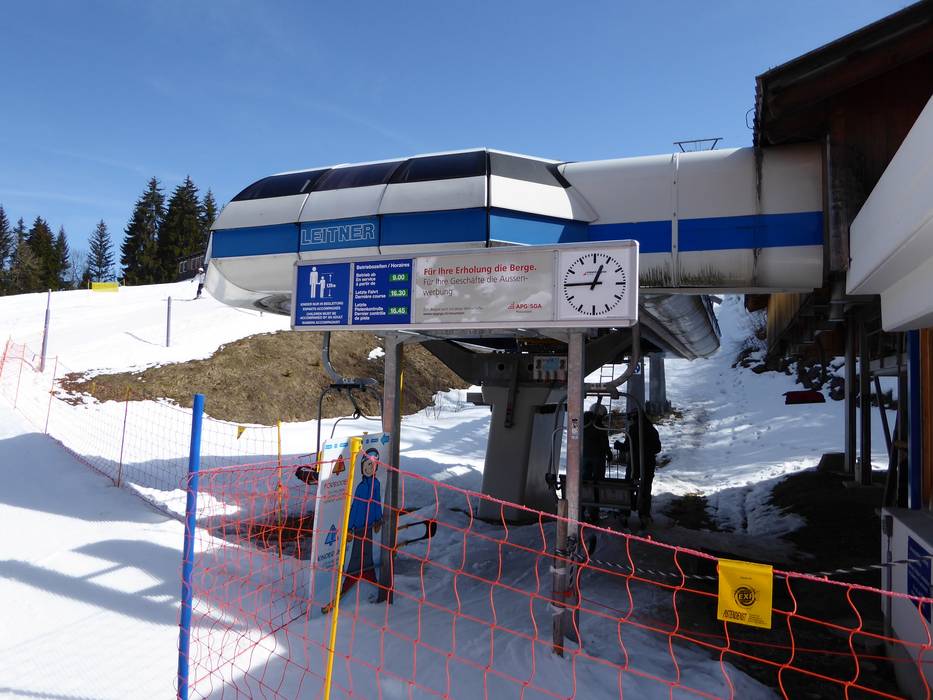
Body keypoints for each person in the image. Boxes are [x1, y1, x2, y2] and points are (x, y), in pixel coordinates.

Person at [620, 408, 662, 526]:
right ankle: (644, 515)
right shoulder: (651, 429)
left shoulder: (633, 429)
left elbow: (627, 446)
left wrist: (619, 446)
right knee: (646, 488)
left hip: (634, 463)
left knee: (629, 487)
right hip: (648, 463)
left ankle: (625, 513)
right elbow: (657, 448)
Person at [581, 402, 612, 523]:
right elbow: (604, 442)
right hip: (597, 458)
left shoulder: (582, 422)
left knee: (584, 482)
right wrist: (608, 453)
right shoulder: (599, 426)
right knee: (597, 484)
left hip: (583, 457)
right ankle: (594, 512)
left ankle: (581, 510)